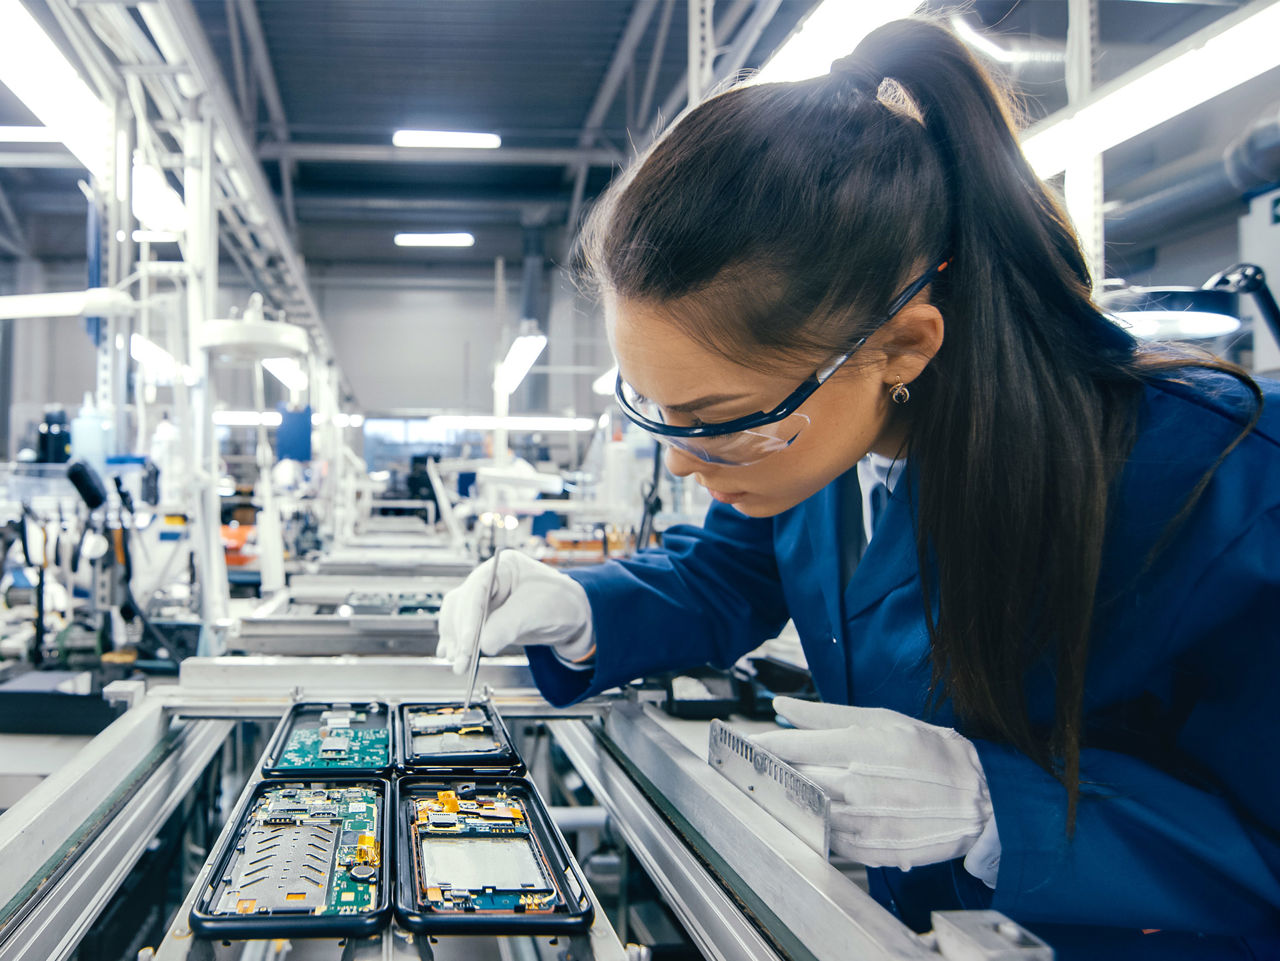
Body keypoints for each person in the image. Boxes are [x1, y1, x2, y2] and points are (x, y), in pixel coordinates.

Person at [438, 17, 1280, 959]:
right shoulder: (822, 438)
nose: (681, 461)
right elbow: (726, 575)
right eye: (659, 408)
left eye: (719, 416)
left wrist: (1002, 807)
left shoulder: (1224, 483)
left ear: (904, 346)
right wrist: (580, 606)